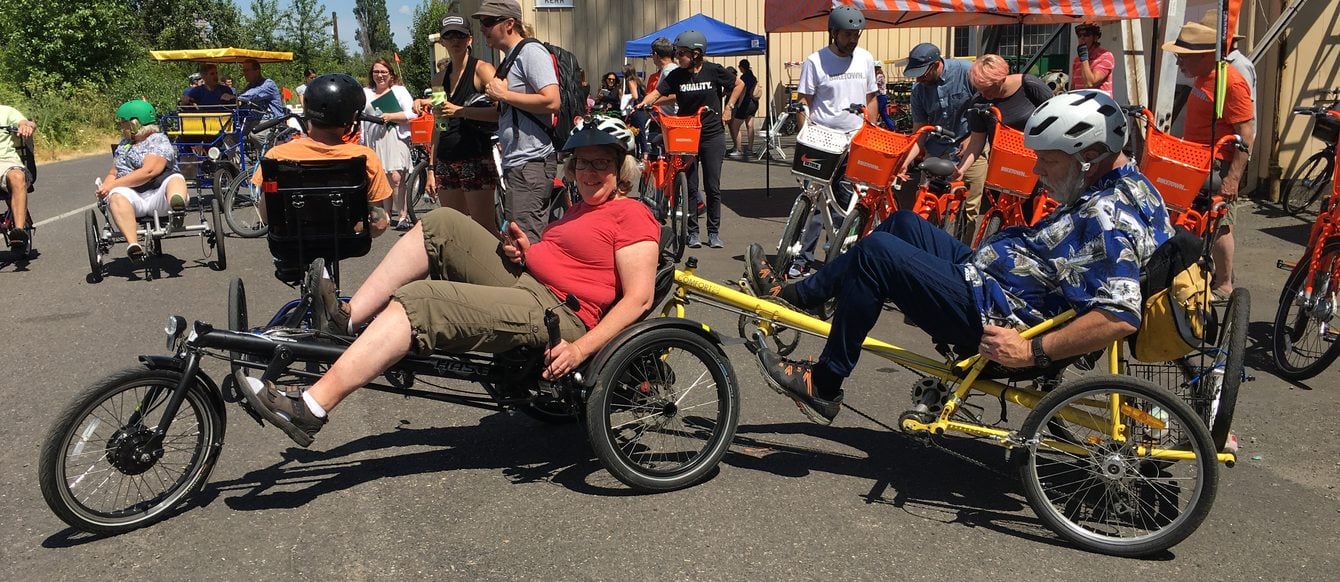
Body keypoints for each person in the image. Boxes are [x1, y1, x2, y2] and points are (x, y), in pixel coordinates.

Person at [744, 90, 1174, 424]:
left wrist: (1031, 351)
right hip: (995, 281)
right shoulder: (1126, 182)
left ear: (1089, 157)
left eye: (1048, 161)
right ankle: (796, 296)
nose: (1037, 172)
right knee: (903, 225)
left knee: (876, 252)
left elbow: (1120, 315)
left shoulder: (1108, 216)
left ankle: (823, 382)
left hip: (995, 316)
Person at [242, 120, 660, 447]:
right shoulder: (580, 208)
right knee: (443, 221)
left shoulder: (632, 214)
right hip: (530, 282)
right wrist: (525, 250)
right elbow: (573, 260)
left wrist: (580, 348)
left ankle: (310, 407)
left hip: (563, 315)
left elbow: (637, 300)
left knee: (422, 300)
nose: (589, 172)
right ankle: (345, 320)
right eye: (582, 163)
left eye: (601, 163)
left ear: (620, 168)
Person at [785, 5, 879, 277]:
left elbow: (871, 98)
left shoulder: (864, 59)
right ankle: (802, 257)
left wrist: (870, 132)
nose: (853, 39)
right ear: (834, 32)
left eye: (856, 34)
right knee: (814, 203)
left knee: (846, 202)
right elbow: (806, 102)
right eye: (848, 34)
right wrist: (805, 137)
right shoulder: (815, 61)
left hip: (855, 141)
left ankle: (835, 256)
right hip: (823, 141)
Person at [1163, 21, 1255, 300]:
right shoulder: (1203, 78)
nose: (1179, 62)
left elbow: (1246, 133)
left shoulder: (1231, 81)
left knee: (1220, 221)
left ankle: (1225, 283)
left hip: (1218, 165)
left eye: (1183, 56)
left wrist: (1233, 178)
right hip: (1198, 160)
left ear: (1204, 55)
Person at [637, 30, 745, 249]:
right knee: (692, 187)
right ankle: (693, 232)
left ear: (696, 54)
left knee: (712, 186)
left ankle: (714, 233)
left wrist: (729, 107)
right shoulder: (677, 75)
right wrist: (643, 103)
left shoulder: (714, 71)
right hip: (687, 134)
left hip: (712, 134)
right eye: (677, 53)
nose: (678, 57)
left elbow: (739, 84)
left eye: (682, 53)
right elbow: (658, 92)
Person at [253, 74, 392, 240]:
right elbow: (379, 223)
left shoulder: (276, 155)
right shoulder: (365, 157)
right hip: (346, 241)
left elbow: (267, 215)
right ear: (352, 117)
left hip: (289, 241)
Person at [474, 0, 560, 244]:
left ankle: (531, 283)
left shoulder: (531, 52)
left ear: (509, 24)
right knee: (517, 236)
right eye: (482, 23)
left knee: (525, 240)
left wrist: (504, 95)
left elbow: (552, 101)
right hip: (518, 162)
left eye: (489, 22)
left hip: (531, 162)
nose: (483, 28)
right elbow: (505, 112)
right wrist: (461, 111)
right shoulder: (510, 58)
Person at [415, 15, 499, 233]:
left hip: (475, 157)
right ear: (442, 41)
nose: (455, 40)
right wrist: (431, 169)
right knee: (455, 230)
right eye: (449, 35)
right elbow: (438, 125)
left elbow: (502, 112)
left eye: (460, 35)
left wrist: (461, 111)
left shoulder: (482, 70)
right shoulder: (438, 79)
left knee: (483, 231)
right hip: (446, 160)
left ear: (469, 39)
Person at [898, 43, 984, 244]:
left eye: (923, 74)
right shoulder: (919, 90)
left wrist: (972, 137)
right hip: (937, 148)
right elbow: (919, 132)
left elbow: (985, 110)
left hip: (971, 145)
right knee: (926, 202)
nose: (919, 79)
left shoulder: (966, 72)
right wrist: (906, 160)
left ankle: (961, 254)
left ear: (936, 65)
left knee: (969, 206)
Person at [95, 100, 190, 263]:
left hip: (159, 195)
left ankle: (177, 207)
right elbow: (114, 172)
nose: (121, 127)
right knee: (116, 195)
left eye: (123, 123)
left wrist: (113, 184)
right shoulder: (124, 144)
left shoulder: (158, 140)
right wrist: (105, 187)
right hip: (134, 199)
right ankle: (133, 245)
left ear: (134, 124)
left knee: (176, 179)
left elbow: (149, 171)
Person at [361, 57, 419, 230]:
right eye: (376, 72)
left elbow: (412, 114)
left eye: (383, 72)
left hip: (395, 137)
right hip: (374, 140)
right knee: (381, 178)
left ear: (391, 74)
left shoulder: (399, 91)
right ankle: (386, 214)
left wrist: (391, 116)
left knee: (396, 177)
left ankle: (402, 215)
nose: (380, 75)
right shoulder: (366, 93)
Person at [0, 103, 36, 254]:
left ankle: (19, 232)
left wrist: (26, 126)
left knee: (17, 176)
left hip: (5, 161)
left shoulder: (6, 111)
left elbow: (26, 122)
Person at [1071, 23, 1116, 95]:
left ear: (1095, 38)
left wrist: (1084, 58)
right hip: (1080, 104)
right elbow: (1073, 87)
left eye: (1086, 35)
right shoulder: (1077, 60)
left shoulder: (1105, 56)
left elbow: (1090, 83)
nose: (1082, 38)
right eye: (1079, 35)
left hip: (1098, 104)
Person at [728, 58, 759, 160]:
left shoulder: (743, 77)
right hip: (754, 103)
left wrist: (739, 105)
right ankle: (750, 149)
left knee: (735, 126)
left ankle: (738, 149)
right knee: (750, 126)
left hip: (745, 104)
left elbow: (743, 91)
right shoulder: (753, 77)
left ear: (741, 67)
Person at [872, 63, 896, 130]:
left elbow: (874, 84)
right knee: (883, 114)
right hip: (881, 96)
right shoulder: (878, 75)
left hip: (880, 97)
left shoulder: (879, 76)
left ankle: (873, 127)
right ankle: (892, 127)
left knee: (875, 112)